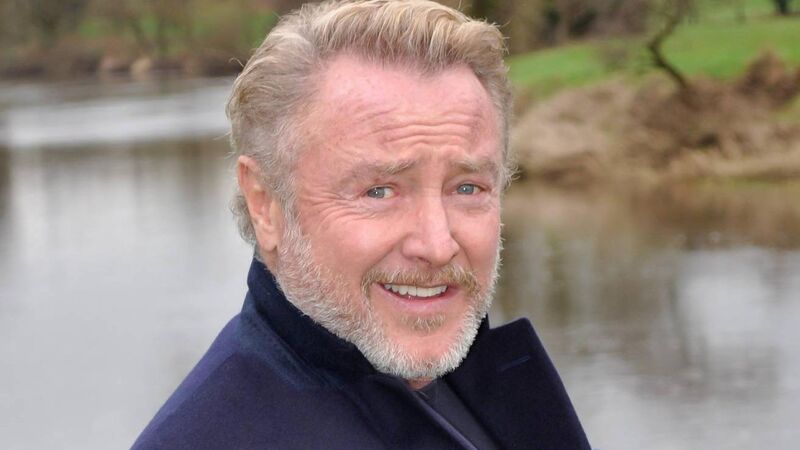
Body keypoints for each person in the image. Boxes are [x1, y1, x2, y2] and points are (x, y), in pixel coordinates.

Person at [133, 1, 590, 448]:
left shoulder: (455, 385)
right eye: (380, 192)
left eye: (467, 188)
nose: (437, 245)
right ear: (265, 203)